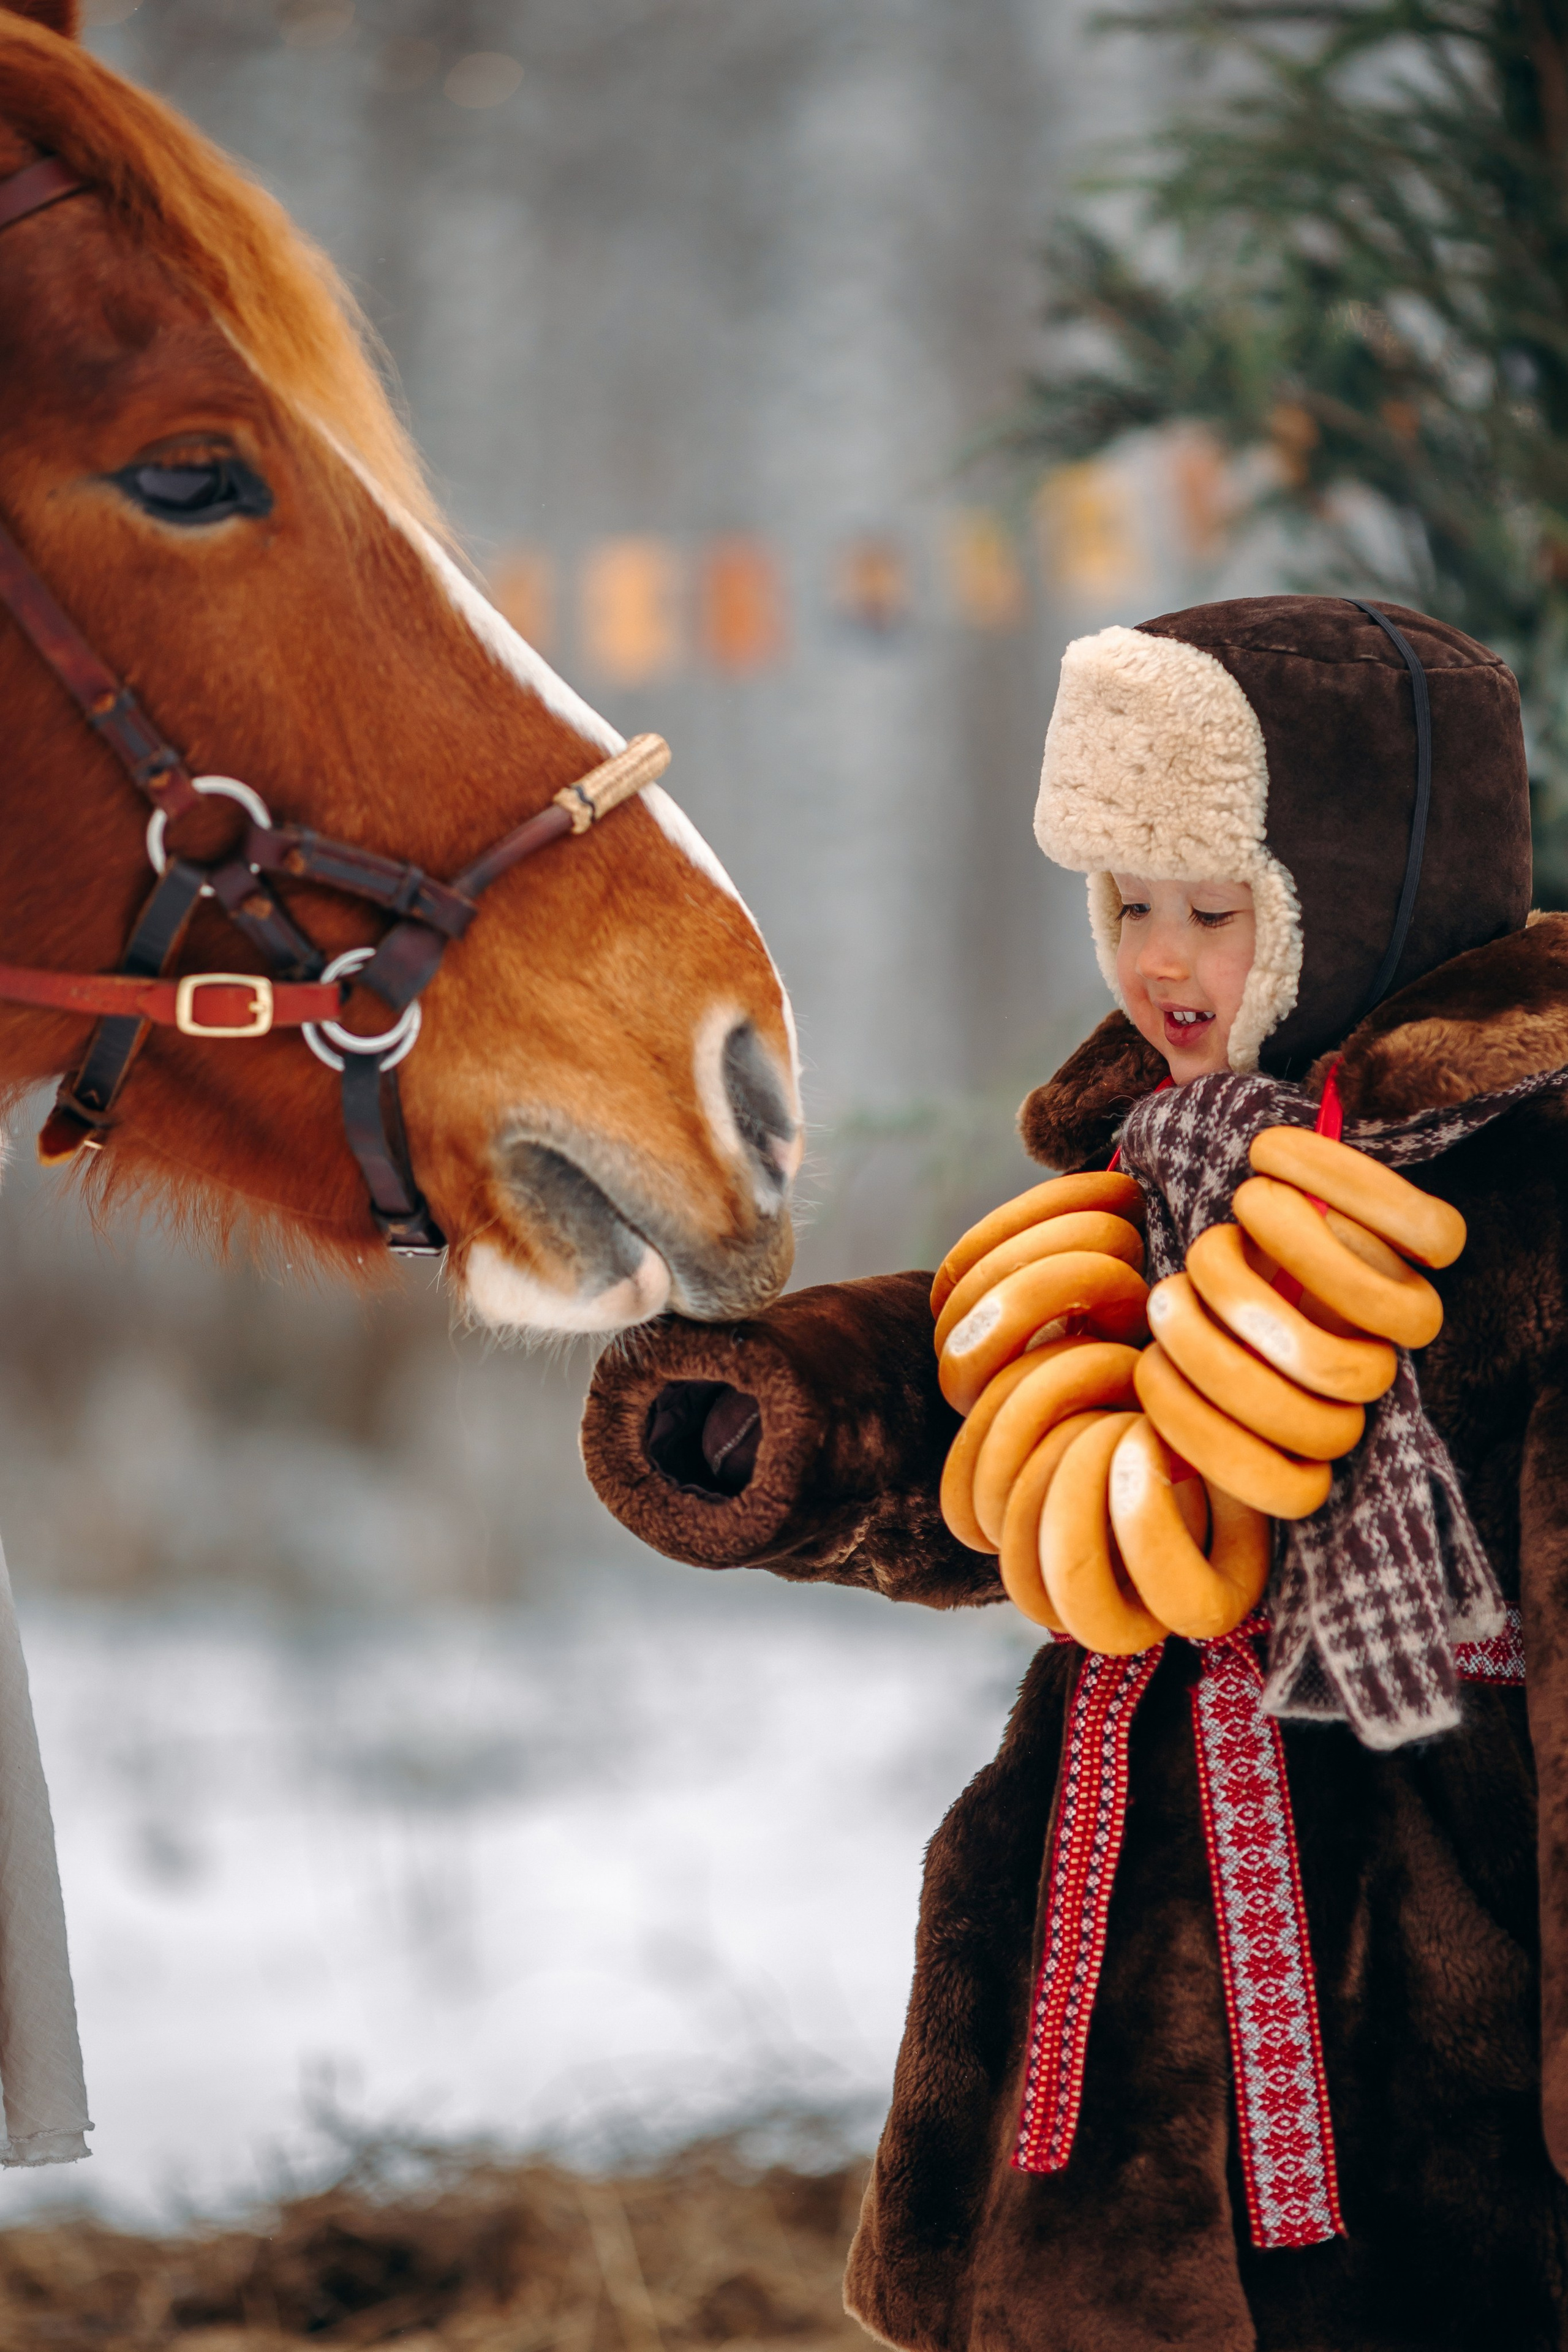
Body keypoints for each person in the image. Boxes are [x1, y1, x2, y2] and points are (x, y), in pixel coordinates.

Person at [579, 595, 1568, 2351]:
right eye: (1124, 905)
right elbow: (997, 1381)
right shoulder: (1157, 1172)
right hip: (1150, 1878)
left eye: (1214, 909)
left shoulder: (1523, 1200)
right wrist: (778, 1413)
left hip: (1435, 1917)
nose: (1160, 962)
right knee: (1124, 2279)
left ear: (1370, 899)